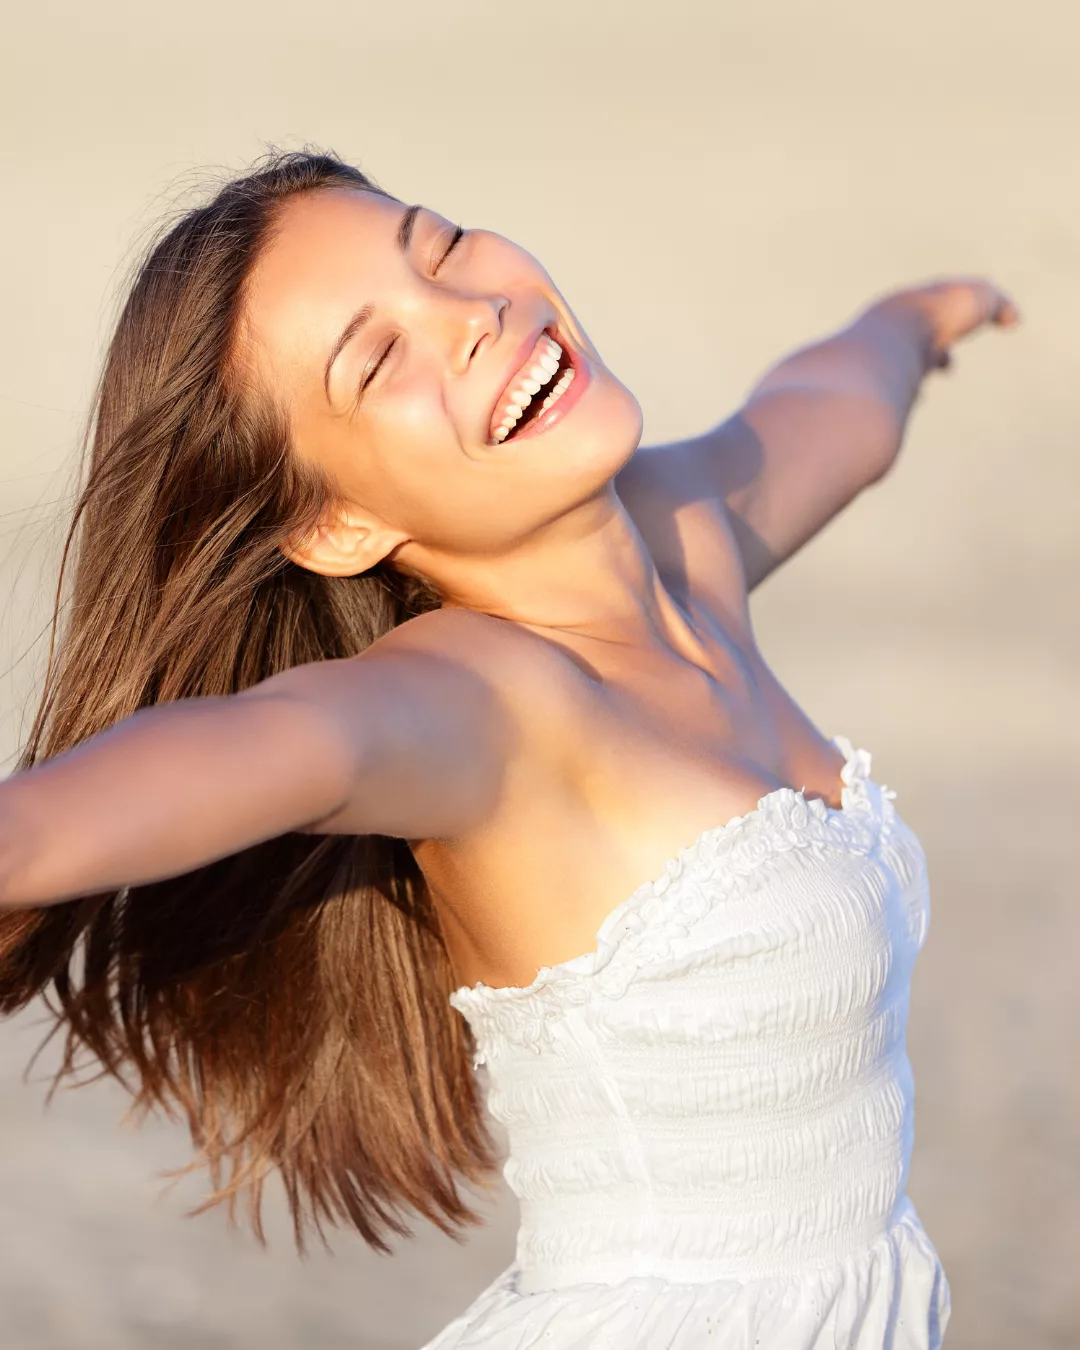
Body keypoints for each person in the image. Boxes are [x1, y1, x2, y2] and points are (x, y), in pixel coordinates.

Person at [0, 148, 1017, 1348]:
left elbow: (835, 412)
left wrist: (921, 316)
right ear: (338, 524)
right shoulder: (475, 704)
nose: (469, 313)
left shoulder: (687, 537)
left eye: (439, 248)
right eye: (377, 359)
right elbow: (234, 751)